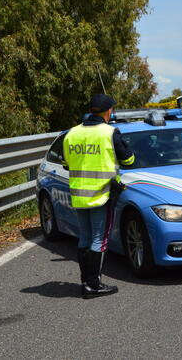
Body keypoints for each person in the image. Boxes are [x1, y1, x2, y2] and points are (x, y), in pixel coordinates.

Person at [61, 94, 135, 299]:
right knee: (99, 239)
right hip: (102, 194)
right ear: (108, 111)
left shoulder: (72, 133)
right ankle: (93, 285)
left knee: (84, 237)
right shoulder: (110, 132)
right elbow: (129, 160)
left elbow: (67, 163)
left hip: (78, 194)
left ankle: (85, 282)